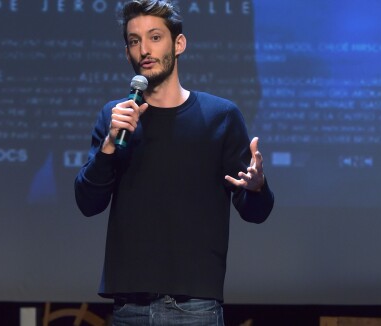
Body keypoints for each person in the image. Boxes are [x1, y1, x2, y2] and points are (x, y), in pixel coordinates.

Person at [74, 1, 274, 325]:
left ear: (178, 44)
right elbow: (87, 202)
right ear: (127, 53)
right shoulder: (116, 119)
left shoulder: (219, 116)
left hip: (195, 307)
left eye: (155, 37)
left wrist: (257, 186)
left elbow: (256, 211)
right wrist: (110, 144)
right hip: (129, 306)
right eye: (134, 41)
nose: (144, 50)